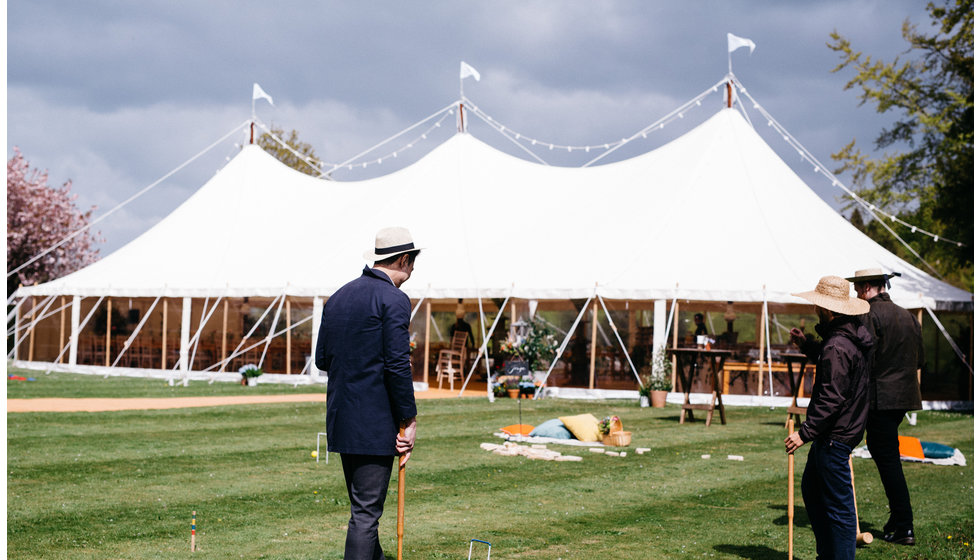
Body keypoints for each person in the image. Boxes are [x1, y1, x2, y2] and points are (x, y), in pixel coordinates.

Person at [315, 226, 420, 560]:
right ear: (404, 259)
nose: (414, 270)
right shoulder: (394, 299)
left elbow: (321, 360)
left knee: (363, 507)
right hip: (375, 423)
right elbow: (397, 366)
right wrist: (409, 418)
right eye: (414, 261)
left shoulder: (339, 296)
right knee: (365, 514)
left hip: (343, 417)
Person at [784, 276, 873, 560]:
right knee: (813, 491)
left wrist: (804, 432)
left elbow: (832, 397)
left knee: (839, 510)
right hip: (837, 433)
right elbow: (830, 355)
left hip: (834, 436)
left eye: (818, 305)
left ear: (828, 309)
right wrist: (806, 344)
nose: (814, 309)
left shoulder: (838, 345)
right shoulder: (846, 336)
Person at [846, 268, 923, 546]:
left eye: (857, 288)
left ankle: (903, 525)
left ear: (867, 287)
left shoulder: (868, 314)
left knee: (886, 459)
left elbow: (861, 358)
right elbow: (919, 361)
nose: (856, 294)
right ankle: (899, 522)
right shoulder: (910, 316)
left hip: (879, 397)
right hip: (902, 397)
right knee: (887, 456)